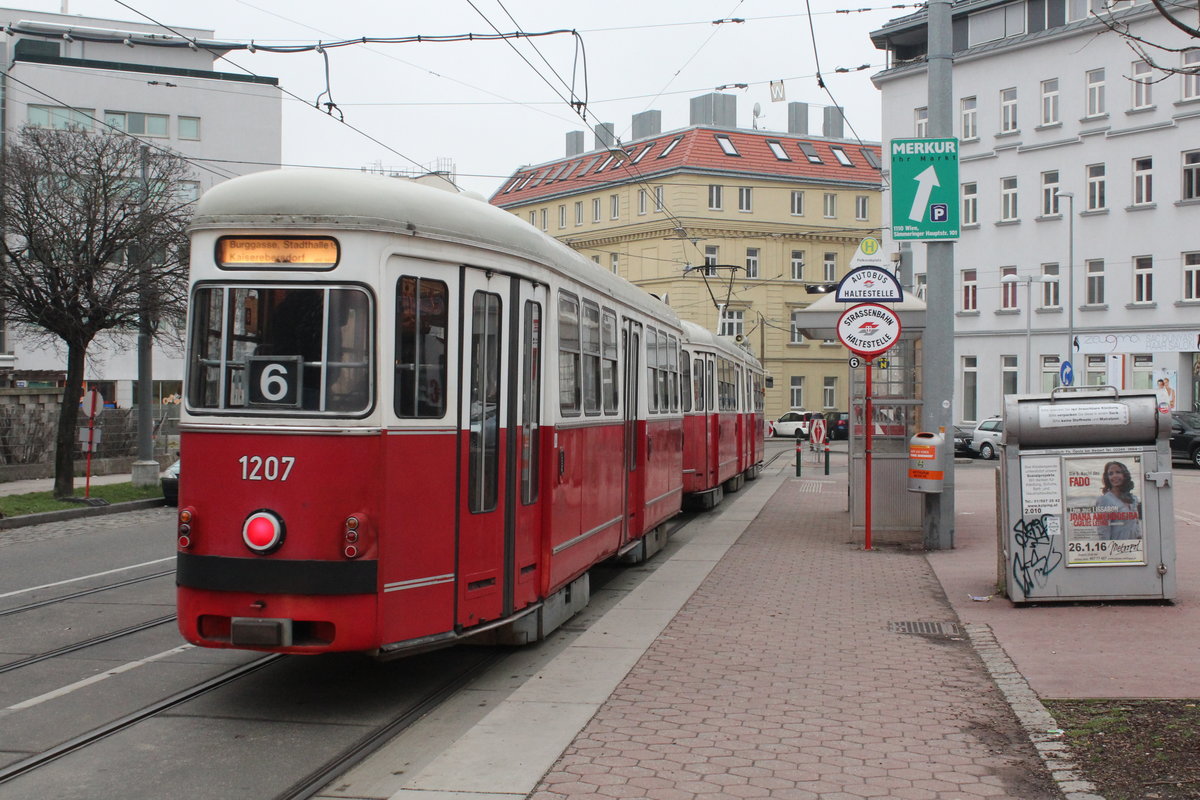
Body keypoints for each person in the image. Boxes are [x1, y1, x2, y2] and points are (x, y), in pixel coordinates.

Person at [1095, 460, 1142, 540]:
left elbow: (1136, 525)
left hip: (1134, 549)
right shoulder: (1104, 500)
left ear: (1124, 475)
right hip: (1116, 549)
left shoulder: (1133, 499)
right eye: (1111, 474)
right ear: (1107, 478)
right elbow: (1103, 532)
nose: (1114, 476)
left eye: (1118, 472)